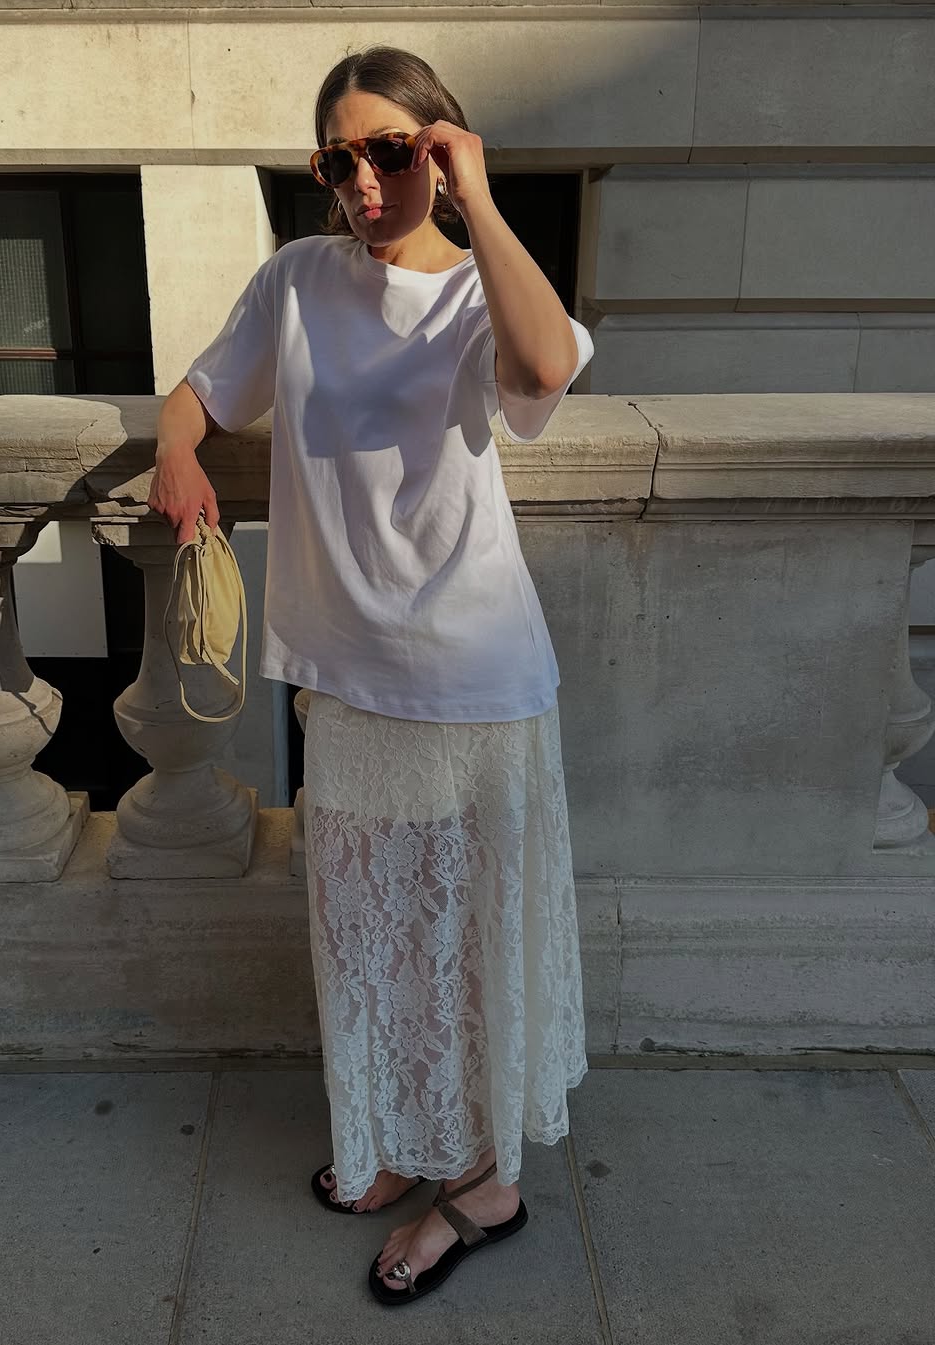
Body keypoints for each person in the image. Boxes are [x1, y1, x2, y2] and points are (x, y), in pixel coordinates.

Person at [149, 44, 592, 1307]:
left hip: (472, 674)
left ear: (441, 148)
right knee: (369, 937)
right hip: (345, 675)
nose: (362, 181)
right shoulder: (296, 280)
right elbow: (198, 393)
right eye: (337, 159)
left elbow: (545, 369)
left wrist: (478, 199)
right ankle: (400, 1141)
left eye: (392, 151)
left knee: (464, 939)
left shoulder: (477, 293)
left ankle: (484, 1185)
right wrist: (178, 455)